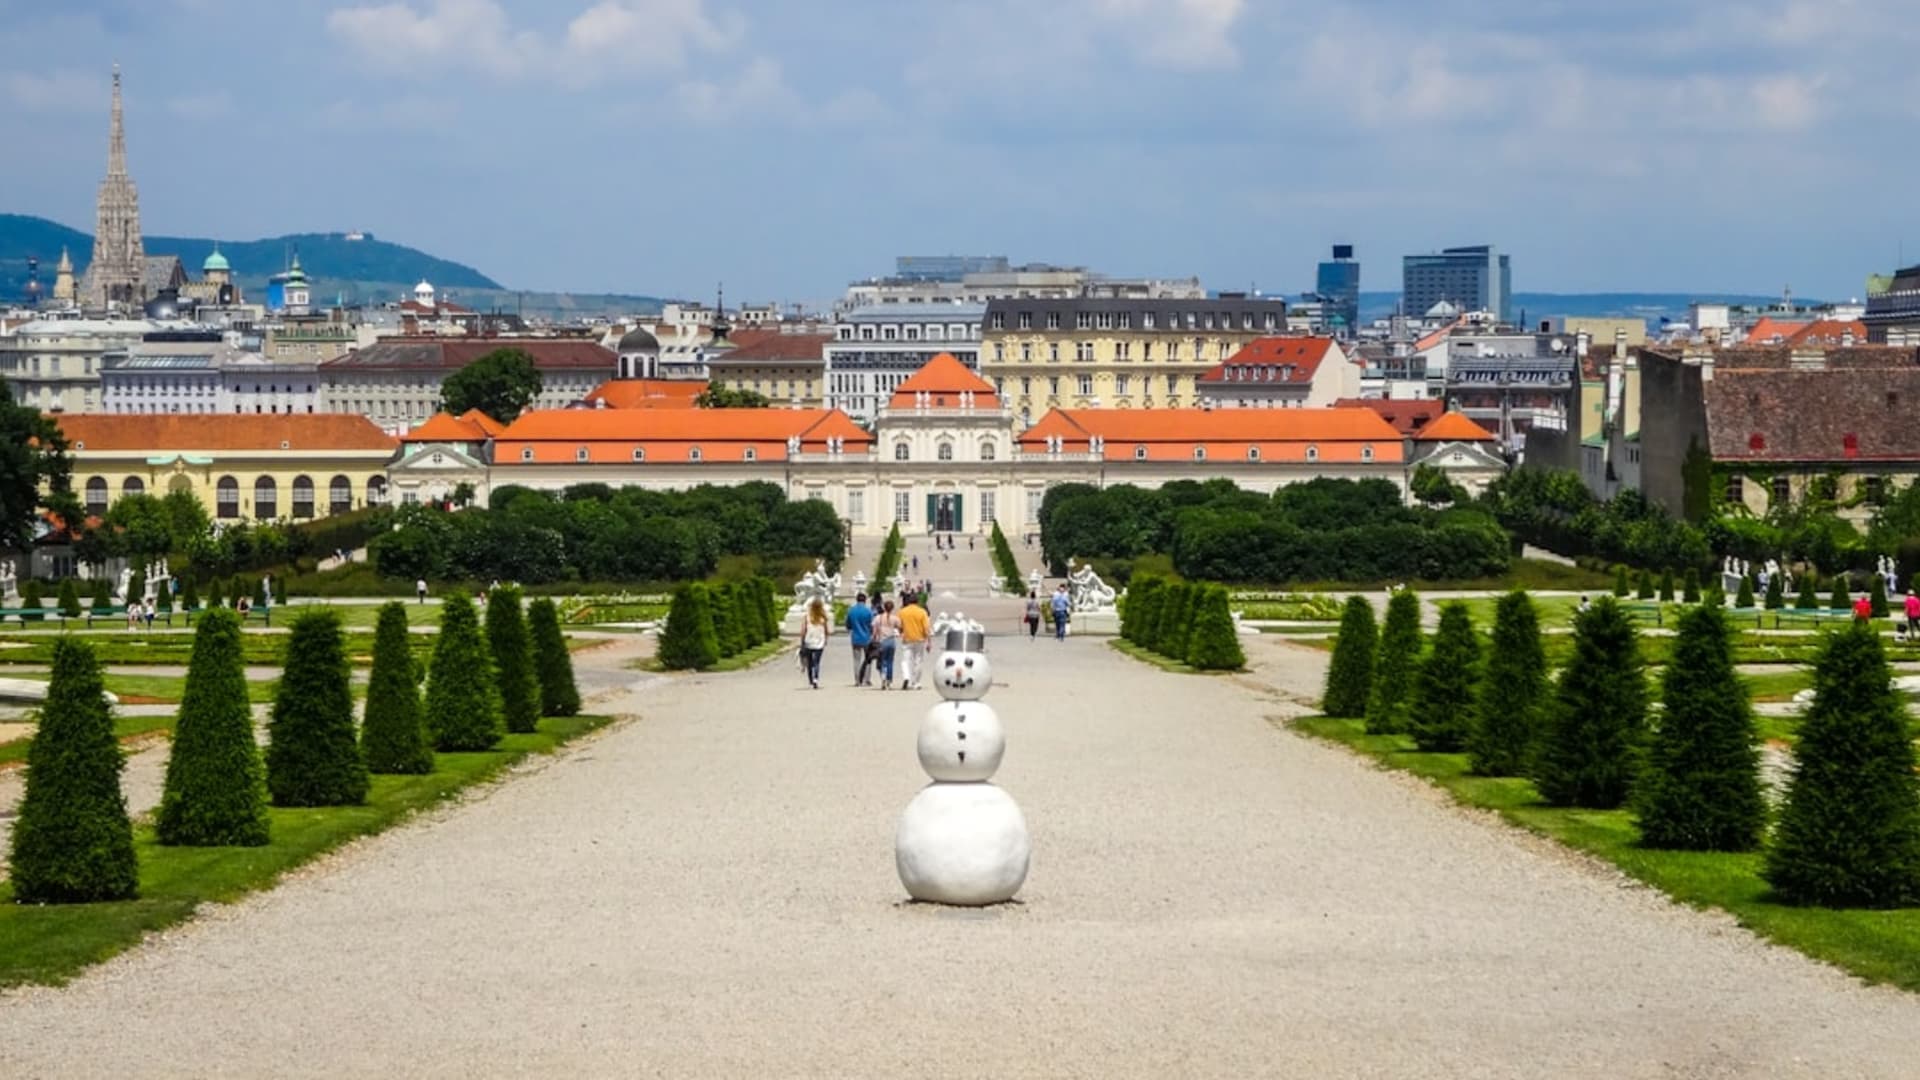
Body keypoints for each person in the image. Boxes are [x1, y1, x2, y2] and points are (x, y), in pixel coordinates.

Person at [899, 592, 930, 689]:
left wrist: (902, 632)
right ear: (917, 601)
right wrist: (929, 641)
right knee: (918, 661)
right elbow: (926, 628)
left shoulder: (902, 612)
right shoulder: (922, 612)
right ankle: (915, 682)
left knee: (905, 660)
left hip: (907, 639)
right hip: (920, 639)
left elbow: (900, 627)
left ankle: (906, 677)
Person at [846, 592, 875, 687]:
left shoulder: (851, 611)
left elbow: (848, 625)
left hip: (856, 637)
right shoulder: (868, 611)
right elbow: (872, 625)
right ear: (865, 600)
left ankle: (857, 680)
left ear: (857, 600)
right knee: (868, 660)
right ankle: (866, 679)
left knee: (856, 660)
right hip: (867, 638)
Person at [800, 598, 830, 689]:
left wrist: (802, 640)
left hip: (809, 641)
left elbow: (803, 630)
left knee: (810, 662)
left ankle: (810, 680)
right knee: (816, 662)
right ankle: (816, 678)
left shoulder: (807, 616)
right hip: (819, 642)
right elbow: (826, 631)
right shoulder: (823, 618)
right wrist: (826, 640)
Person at [873, 599, 902, 690]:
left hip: (882, 641)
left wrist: (874, 638)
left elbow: (874, 631)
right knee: (890, 662)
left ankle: (883, 678)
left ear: (884, 607)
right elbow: (900, 628)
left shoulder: (878, 617)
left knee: (882, 662)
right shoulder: (895, 618)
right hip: (891, 641)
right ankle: (889, 681)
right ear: (892, 608)